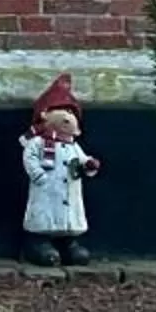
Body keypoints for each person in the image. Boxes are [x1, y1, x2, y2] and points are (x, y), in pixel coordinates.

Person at [18, 75, 101, 268]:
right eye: (61, 111)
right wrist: (38, 174)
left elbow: (81, 159)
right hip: (47, 188)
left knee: (68, 218)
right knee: (45, 215)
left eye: (71, 113)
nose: (67, 117)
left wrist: (89, 165)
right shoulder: (38, 142)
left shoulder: (73, 145)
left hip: (69, 189)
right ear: (45, 114)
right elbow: (29, 157)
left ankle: (69, 245)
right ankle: (39, 244)